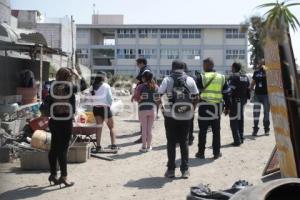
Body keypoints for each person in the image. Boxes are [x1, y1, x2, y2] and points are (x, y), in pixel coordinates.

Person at [158, 60, 199, 179]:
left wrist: (162, 109)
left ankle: (171, 170)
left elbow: (158, 95)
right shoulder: (190, 80)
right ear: (183, 68)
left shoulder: (167, 80)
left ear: (172, 67)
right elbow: (197, 97)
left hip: (170, 115)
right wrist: (192, 109)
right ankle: (185, 170)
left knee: (171, 142)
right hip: (186, 114)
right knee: (184, 141)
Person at [47, 67, 86, 188]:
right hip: (64, 121)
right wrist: (78, 75)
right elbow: (84, 85)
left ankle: (53, 174)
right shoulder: (68, 87)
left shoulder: (53, 85)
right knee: (63, 150)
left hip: (54, 120)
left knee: (54, 148)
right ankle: (64, 177)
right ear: (68, 76)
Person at [195, 58, 230, 159]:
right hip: (217, 107)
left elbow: (196, 93)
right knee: (216, 130)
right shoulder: (222, 77)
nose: (203, 67)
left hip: (204, 106)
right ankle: (216, 153)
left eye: (203, 65)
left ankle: (201, 153)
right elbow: (226, 94)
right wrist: (227, 107)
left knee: (202, 130)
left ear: (206, 65)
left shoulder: (201, 77)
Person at [91, 71, 118, 152]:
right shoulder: (106, 86)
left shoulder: (92, 86)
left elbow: (91, 98)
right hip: (105, 108)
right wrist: (109, 105)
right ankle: (113, 145)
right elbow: (110, 98)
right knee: (112, 127)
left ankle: (98, 146)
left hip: (96, 108)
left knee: (99, 127)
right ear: (103, 77)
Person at [133, 70, 158, 152]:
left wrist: (140, 99)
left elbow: (136, 98)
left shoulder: (140, 87)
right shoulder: (156, 87)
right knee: (149, 130)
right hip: (152, 110)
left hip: (143, 109)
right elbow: (158, 99)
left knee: (144, 129)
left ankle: (144, 147)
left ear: (144, 78)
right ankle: (149, 146)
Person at [227, 62, 250, 146]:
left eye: (231, 67)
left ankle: (237, 140)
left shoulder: (234, 77)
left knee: (233, 121)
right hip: (242, 101)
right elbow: (248, 89)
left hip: (235, 102)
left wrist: (228, 102)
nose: (231, 68)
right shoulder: (245, 77)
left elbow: (230, 91)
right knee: (240, 120)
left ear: (234, 68)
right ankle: (241, 137)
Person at [132, 58, 152, 144]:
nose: (136, 65)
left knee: (143, 117)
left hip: (143, 95)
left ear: (141, 63)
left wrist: (135, 95)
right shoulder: (146, 69)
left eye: (137, 63)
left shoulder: (144, 70)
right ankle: (145, 135)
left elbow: (136, 80)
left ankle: (143, 137)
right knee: (148, 119)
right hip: (149, 98)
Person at [250, 60, 270, 136]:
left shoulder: (268, 71)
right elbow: (253, 83)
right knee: (256, 112)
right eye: (260, 63)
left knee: (266, 112)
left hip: (266, 95)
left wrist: (267, 69)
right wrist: (251, 90)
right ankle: (255, 129)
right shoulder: (256, 72)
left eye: (263, 63)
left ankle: (266, 129)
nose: (261, 64)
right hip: (257, 94)